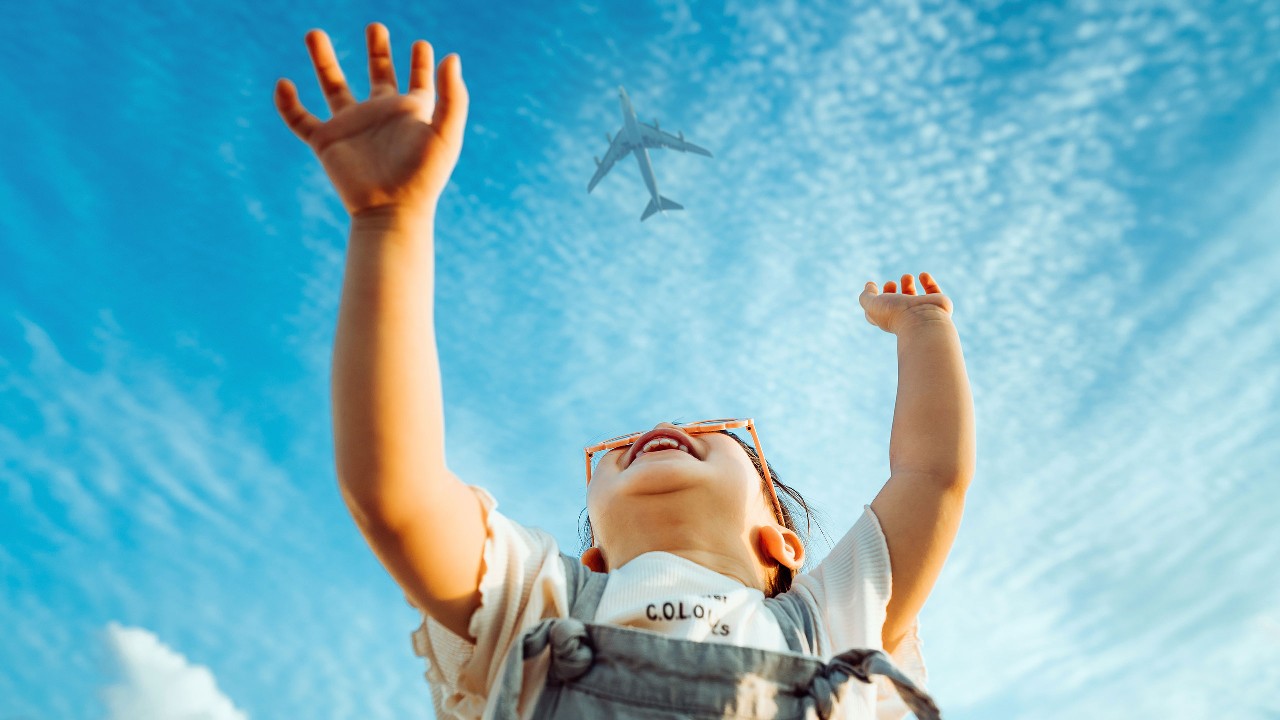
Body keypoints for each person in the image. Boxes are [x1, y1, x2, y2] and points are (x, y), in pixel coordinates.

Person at [275, 22, 974, 720]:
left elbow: (929, 475)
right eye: (611, 455)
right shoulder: (541, 598)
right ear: (595, 557)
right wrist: (387, 221)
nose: (662, 429)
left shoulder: (825, 618)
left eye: (718, 431)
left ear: (781, 546)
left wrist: (924, 325)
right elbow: (398, 488)